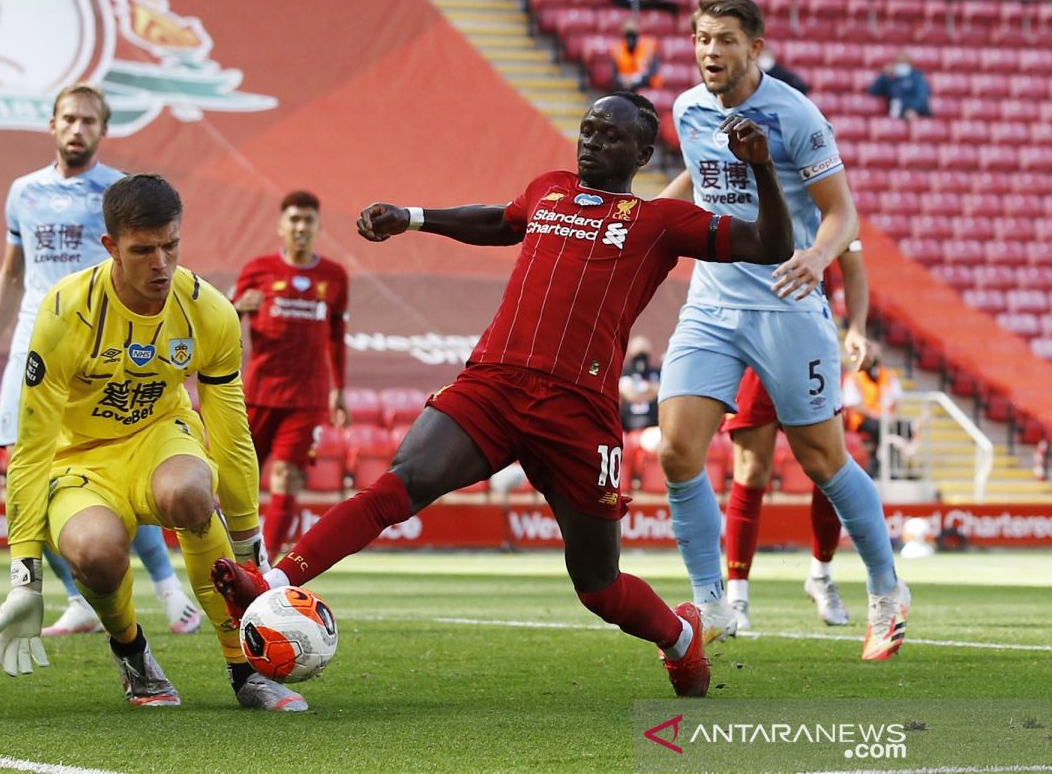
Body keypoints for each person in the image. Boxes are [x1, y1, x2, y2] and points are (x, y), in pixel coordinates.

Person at [210, 91, 797, 701]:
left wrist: (760, 166)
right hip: (494, 382)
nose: (593, 139)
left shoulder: (658, 222)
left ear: (643, 153)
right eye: (588, 128)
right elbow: (499, 222)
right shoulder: (549, 189)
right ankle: (273, 581)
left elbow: (770, 245)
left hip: (578, 410)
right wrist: (412, 216)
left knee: (598, 586)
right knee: (399, 484)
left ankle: (679, 637)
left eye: (610, 134)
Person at [0, 174, 306, 712]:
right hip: (76, 459)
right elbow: (33, 446)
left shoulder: (210, 312)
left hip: (159, 436)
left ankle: (245, 667)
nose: (161, 264)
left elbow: (230, 432)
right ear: (111, 247)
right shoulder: (66, 314)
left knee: (190, 493)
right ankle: (132, 652)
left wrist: (250, 541)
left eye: (171, 246)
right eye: (143, 250)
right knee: (96, 553)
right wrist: (25, 576)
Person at [655, 0, 909, 662]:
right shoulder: (685, 109)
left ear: (755, 48)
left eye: (726, 40)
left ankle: (887, 591)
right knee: (677, 453)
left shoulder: (797, 115)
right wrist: (641, 220)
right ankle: (713, 604)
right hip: (711, 304)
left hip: (788, 307)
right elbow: (700, 175)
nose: (711, 52)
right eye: (703, 39)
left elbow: (842, 214)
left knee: (824, 459)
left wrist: (817, 256)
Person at [0, 82, 200, 638]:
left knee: (113, 467)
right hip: (34, 346)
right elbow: (12, 273)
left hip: (100, 349)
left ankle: (167, 587)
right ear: (52, 124)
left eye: (88, 121)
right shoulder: (22, 191)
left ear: (102, 130)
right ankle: (80, 598)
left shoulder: (116, 194)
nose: (77, 129)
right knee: (29, 475)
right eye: (68, 118)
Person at [722, 246, 873, 632]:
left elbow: (853, 266)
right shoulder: (752, 197)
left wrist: (856, 328)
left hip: (810, 348)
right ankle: (736, 597)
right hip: (755, 345)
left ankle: (821, 575)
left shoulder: (829, 206)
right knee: (751, 471)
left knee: (827, 467)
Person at [233, 190, 349, 563]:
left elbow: (337, 337)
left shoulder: (334, 276)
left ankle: (260, 569)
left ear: (318, 227)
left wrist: (340, 390)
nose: (301, 227)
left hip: (307, 398)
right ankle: (231, 556)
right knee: (238, 482)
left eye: (308, 221)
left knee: (286, 478)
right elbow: (224, 327)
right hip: (258, 393)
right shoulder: (257, 270)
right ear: (281, 226)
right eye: (294, 220)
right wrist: (236, 309)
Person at [842, 351, 903, 477]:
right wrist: (874, 414)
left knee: (904, 427)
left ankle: (893, 467)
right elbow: (852, 404)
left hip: (884, 419)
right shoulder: (854, 377)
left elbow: (894, 400)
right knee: (880, 428)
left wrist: (890, 416)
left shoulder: (887, 376)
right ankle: (877, 466)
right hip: (861, 420)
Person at [868, 51, 932, 119]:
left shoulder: (917, 77)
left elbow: (922, 96)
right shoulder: (890, 78)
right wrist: (884, 76)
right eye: (898, 62)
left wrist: (912, 109)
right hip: (896, 115)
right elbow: (873, 91)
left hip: (916, 114)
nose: (901, 65)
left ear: (910, 64)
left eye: (904, 62)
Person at [619, 336, 661, 432]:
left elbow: (662, 390)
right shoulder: (624, 372)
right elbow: (628, 393)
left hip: (653, 427)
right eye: (638, 352)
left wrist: (640, 390)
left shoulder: (656, 372)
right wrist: (650, 390)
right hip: (628, 427)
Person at [610, 20, 663, 92]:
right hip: (624, 86)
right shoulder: (617, 47)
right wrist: (624, 79)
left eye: (632, 30)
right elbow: (614, 74)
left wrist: (635, 79)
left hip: (646, 85)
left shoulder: (649, 45)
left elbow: (654, 71)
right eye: (627, 31)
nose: (630, 35)